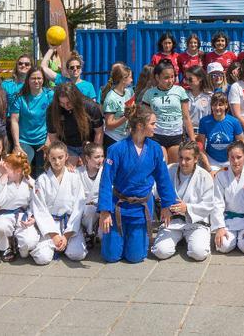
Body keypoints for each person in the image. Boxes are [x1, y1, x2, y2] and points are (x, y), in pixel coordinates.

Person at [98, 109, 178, 264]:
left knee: (136, 257)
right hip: (118, 207)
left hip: (141, 208)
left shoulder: (155, 149)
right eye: (153, 123)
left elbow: (163, 178)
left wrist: (167, 205)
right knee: (111, 256)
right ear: (141, 125)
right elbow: (106, 181)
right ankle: (115, 238)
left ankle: (129, 240)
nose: (156, 127)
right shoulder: (116, 149)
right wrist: (104, 211)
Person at [152, 141, 221, 261]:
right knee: (160, 251)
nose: (183, 162)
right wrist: (164, 205)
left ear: (196, 159)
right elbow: (156, 190)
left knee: (198, 253)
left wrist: (187, 208)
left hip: (196, 223)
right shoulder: (169, 170)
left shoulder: (205, 176)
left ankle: (189, 240)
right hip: (173, 222)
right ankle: (179, 239)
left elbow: (209, 205)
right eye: (181, 158)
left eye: (187, 159)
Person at [33, 141, 88, 263]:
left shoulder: (74, 177)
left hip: (70, 224)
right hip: (50, 225)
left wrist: (66, 235)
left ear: (67, 157)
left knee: (77, 254)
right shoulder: (42, 180)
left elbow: (79, 206)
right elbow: (39, 209)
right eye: (53, 158)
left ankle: (65, 243)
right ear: (47, 157)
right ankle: (56, 243)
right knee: (42, 258)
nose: (57, 162)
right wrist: (54, 235)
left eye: (60, 157)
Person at [0, 151, 36, 262]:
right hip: (4, 215)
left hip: (22, 216)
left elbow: (35, 203)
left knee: (29, 243)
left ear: (18, 171)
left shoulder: (29, 183)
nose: (3, 171)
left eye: (6, 169)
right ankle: (8, 244)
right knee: (0, 227)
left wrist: (32, 217)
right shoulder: (2, 181)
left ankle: (20, 245)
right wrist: (3, 175)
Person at [142, 61, 192, 164]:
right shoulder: (149, 94)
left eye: (172, 77)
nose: (170, 80)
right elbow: (146, 119)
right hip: (156, 136)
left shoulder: (180, 91)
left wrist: (192, 140)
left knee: (173, 168)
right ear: (157, 77)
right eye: (166, 78)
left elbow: (186, 117)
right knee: (162, 166)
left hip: (176, 136)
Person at [213, 141, 244, 255]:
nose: (235, 161)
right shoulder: (221, 175)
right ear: (228, 157)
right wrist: (220, 227)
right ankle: (232, 237)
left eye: (239, 157)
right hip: (228, 219)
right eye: (232, 157)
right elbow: (217, 202)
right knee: (223, 246)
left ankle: (243, 237)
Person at [9, 68, 53, 172]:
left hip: (43, 142)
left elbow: (53, 120)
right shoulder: (19, 97)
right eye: (33, 78)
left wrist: (48, 140)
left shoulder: (50, 95)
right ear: (28, 80)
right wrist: (16, 145)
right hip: (24, 141)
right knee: (21, 173)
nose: (36, 81)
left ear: (43, 79)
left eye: (39, 78)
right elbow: (14, 121)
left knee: (42, 173)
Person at [48, 83, 104, 165]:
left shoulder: (90, 107)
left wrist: (94, 153)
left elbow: (99, 132)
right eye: (62, 103)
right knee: (69, 172)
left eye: (68, 102)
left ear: (76, 99)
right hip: (66, 146)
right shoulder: (53, 110)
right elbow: (53, 136)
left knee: (91, 169)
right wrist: (63, 156)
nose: (66, 106)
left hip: (88, 143)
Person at [198, 93, 244, 171]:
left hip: (230, 160)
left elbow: (241, 144)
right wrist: (207, 165)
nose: (217, 108)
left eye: (220, 105)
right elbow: (201, 146)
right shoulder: (204, 121)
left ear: (226, 106)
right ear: (211, 106)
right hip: (211, 160)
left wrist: (238, 163)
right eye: (214, 105)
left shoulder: (234, 122)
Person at [101, 63, 134, 151]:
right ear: (123, 79)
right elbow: (109, 125)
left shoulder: (129, 92)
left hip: (126, 137)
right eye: (130, 77)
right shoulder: (111, 98)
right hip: (113, 139)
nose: (132, 80)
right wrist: (126, 117)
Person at [78, 142, 105, 246]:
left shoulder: (105, 171)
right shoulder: (78, 172)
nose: (101, 160)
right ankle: (88, 233)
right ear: (87, 158)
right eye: (97, 157)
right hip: (84, 210)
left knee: (104, 238)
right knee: (89, 210)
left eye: (102, 156)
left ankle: (99, 230)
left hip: (102, 208)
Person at [183, 65, 212, 134]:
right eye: (186, 79)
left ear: (200, 78)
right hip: (185, 133)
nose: (187, 82)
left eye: (190, 79)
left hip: (203, 132)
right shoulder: (183, 94)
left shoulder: (209, 96)